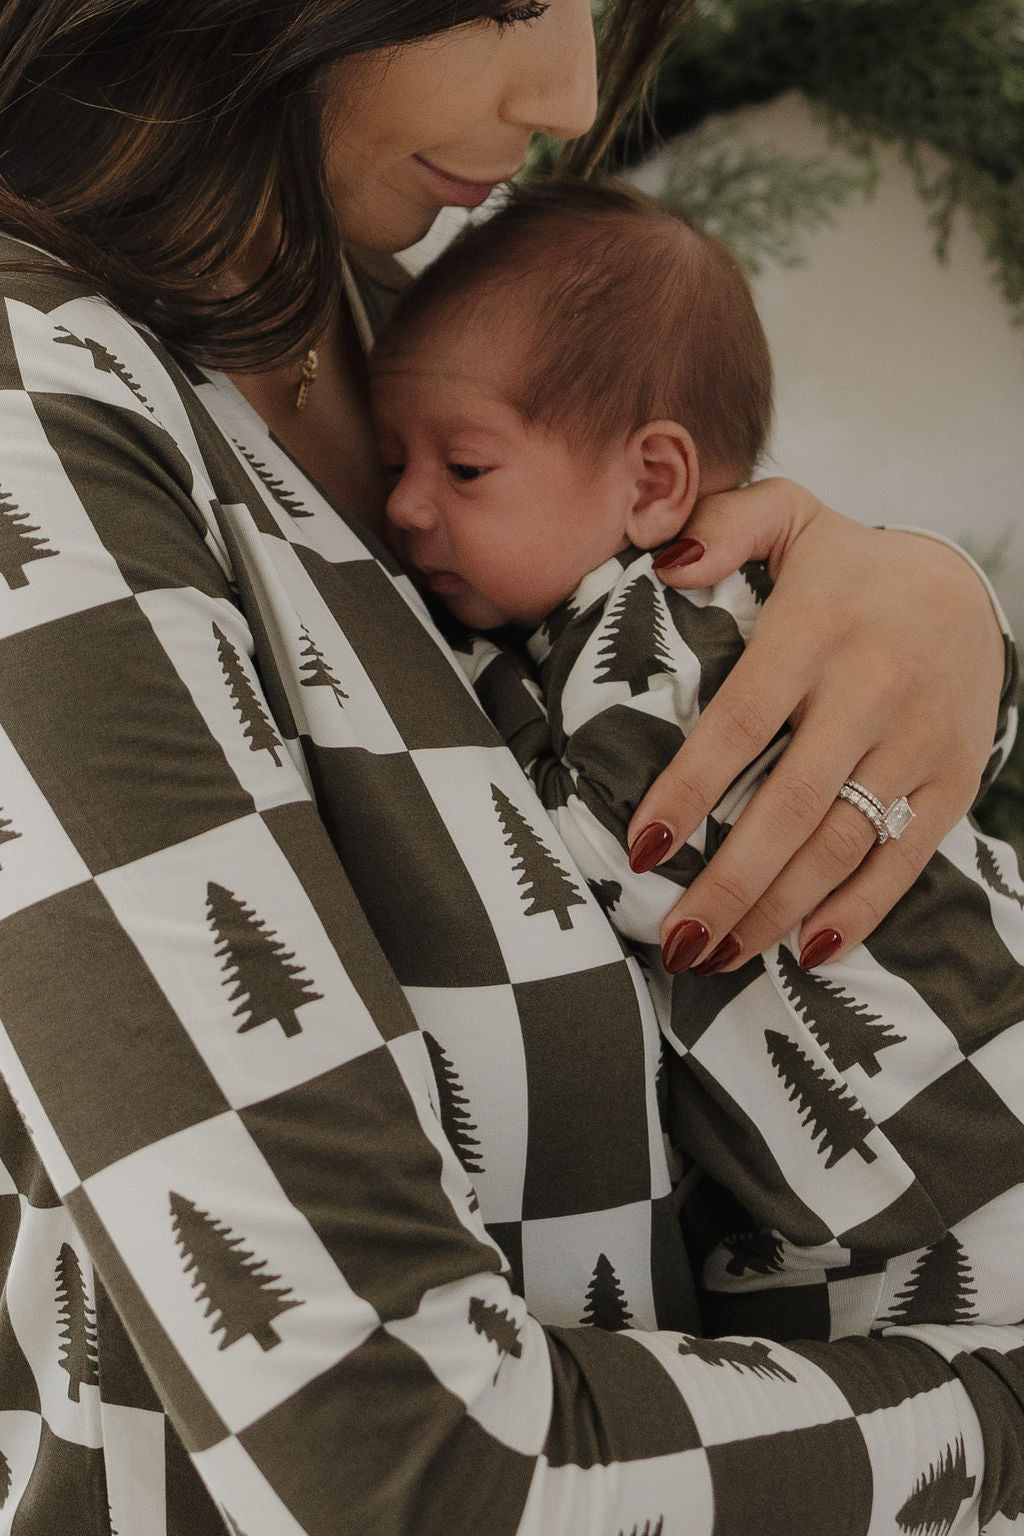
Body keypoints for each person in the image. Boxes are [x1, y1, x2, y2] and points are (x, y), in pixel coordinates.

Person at [0, 4, 1020, 1533]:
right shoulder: (47, 414)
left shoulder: (387, 319)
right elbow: (404, 1476)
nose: (570, 90)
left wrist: (917, 615)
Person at [371, 175, 1024, 1347]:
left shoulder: (665, 622)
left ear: (653, 483)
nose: (409, 506)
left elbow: (635, 852)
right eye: (393, 465)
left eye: (463, 469)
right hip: (865, 1154)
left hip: (959, 1119)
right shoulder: (577, 626)